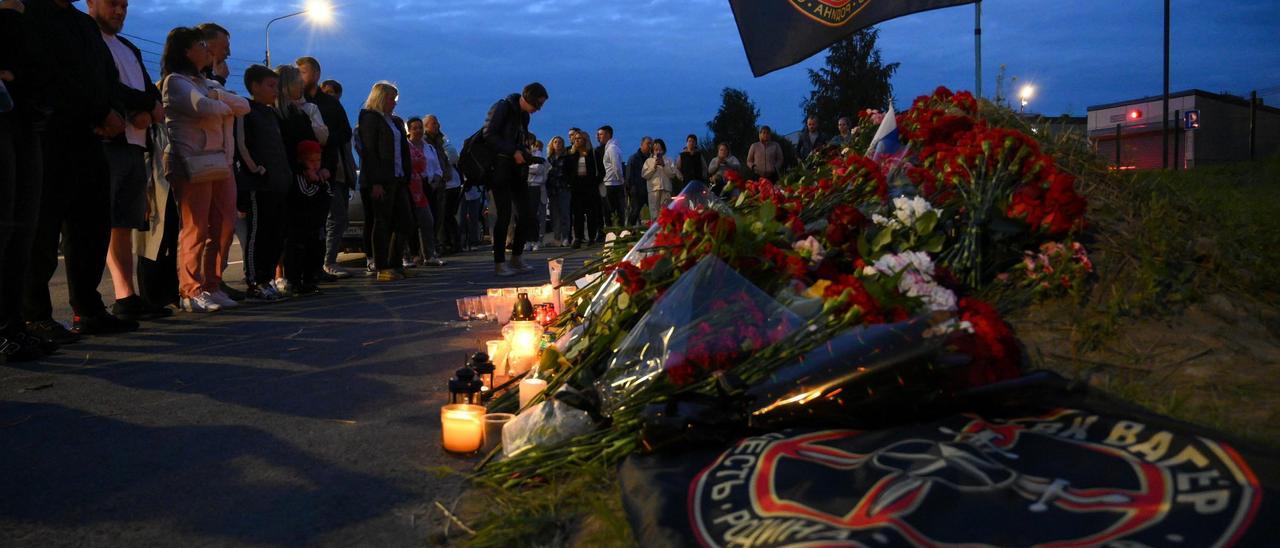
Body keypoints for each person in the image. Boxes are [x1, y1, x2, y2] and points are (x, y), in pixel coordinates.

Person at [23, 0, 134, 341]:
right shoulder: (28, 13)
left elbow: (106, 74)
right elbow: (49, 73)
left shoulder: (84, 25)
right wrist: (101, 111)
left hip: (90, 140)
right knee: (42, 230)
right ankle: (34, 316)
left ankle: (88, 309)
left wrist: (114, 111)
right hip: (48, 135)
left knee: (91, 227)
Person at [88, 0, 169, 322]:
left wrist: (148, 108)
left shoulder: (128, 47)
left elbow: (148, 89)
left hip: (136, 145)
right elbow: (105, 86)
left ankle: (127, 295)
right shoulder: (88, 40)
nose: (119, 11)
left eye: (124, 5)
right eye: (112, 4)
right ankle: (92, 302)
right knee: (100, 223)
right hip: (108, 141)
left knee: (123, 223)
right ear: (91, 3)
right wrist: (142, 108)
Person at [160, 26, 249, 312]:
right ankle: (190, 289)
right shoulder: (175, 82)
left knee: (222, 225)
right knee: (196, 226)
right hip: (191, 161)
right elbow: (204, 109)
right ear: (186, 50)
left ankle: (212, 284)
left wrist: (217, 99)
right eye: (201, 45)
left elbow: (244, 106)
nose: (208, 50)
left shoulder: (207, 83)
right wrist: (221, 102)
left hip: (219, 161)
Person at [1, 0, 57, 360]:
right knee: (3, 222)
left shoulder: (37, 13)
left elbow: (42, 62)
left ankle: (12, 325)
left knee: (22, 226)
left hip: (25, 117)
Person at [296, 57, 357, 280]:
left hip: (328, 168)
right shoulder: (296, 101)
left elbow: (345, 132)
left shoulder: (330, 104)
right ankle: (303, 269)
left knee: (333, 217)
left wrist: (326, 139)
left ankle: (327, 262)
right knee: (308, 221)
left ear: (316, 74)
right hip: (302, 169)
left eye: (303, 72)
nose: (299, 77)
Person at [233, 64, 290, 302]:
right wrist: (256, 169)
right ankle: (256, 282)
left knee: (277, 234)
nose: (275, 91)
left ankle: (268, 280)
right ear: (255, 86)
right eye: (270, 86)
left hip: (279, 183)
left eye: (276, 86)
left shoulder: (272, 114)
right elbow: (242, 144)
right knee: (260, 233)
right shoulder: (246, 111)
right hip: (259, 184)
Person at [482, 82, 547, 276]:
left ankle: (517, 257)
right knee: (503, 215)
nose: (538, 109)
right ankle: (499, 262)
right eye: (537, 104)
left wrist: (525, 153)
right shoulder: (503, 107)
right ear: (528, 98)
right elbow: (489, 135)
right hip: (500, 169)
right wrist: (513, 151)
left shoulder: (524, 116)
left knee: (527, 214)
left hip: (517, 169)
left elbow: (518, 140)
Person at [356, 81, 415, 282]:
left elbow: (403, 149)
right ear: (381, 98)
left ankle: (396, 262)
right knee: (382, 222)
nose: (394, 103)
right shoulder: (370, 119)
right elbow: (369, 152)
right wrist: (376, 182)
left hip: (398, 177)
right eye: (391, 98)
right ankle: (382, 266)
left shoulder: (397, 122)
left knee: (405, 221)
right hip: (381, 178)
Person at [285, 140, 330, 295]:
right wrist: (317, 184)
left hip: (316, 223)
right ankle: (295, 282)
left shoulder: (320, 176)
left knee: (315, 251)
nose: (315, 164)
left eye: (318, 160)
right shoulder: (299, 176)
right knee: (298, 253)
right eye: (311, 161)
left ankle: (310, 280)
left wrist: (321, 183)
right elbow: (305, 194)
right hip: (300, 224)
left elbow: (328, 195)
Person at [404, 116, 444, 267]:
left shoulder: (429, 147)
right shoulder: (406, 147)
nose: (418, 131)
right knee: (411, 222)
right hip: (412, 186)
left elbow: (437, 167)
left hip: (428, 185)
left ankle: (429, 254)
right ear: (409, 130)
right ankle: (412, 254)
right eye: (415, 128)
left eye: (420, 127)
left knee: (429, 220)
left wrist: (436, 180)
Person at [423, 115, 458, 254]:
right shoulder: (426, 142)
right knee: (434, 215)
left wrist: (446, 171)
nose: (437, 126)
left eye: (437, 123)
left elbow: (446, 158)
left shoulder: (439, 140)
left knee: (441, 215)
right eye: (433, 123)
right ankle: (434, 246)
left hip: (442, 182)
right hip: (432, 183)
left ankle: (439, 245)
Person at [565, 130, 600, 249]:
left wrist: (595, 182)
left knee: (591, 214)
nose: (577, 140)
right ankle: (578, 238)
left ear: (585, 140)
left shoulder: (593, 153)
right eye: (575, 139)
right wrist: (569, 182)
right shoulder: (570, 154)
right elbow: (567, 170)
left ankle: (591, 237)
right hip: (576, 187)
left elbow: (601, 170)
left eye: (579, 138)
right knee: (578, 214)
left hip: (590, 187)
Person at [595, 125, 625, 228]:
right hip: (611, 183)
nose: (598, 137)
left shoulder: (612, 149)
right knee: (610, 212)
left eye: (601, 134)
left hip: (613, 184)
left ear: (608, 135)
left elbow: (616, 166)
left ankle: (615, 233)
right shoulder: (610, 148)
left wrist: (621, 180)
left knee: (612, 212)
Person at [642, 139, 679, 218]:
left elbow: (672, 174)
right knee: (654, 212)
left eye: (660, 149)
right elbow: (644, 175)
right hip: (653, 190)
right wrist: (653, 167)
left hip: (666, 190)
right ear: (652, 151)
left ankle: (665, 229)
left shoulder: (668, 161)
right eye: (656, 150)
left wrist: (664, 165)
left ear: (664, 150)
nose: (658, 152)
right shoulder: (648, 161)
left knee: (665, 212)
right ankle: (655, 229)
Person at [545, 135, 571, 246]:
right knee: (554, 215)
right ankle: (557, 238)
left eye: (560, 142)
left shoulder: (567, 158)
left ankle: (566, 237)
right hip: (552, 190)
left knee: (565, 214)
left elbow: (570, 172)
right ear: (552, 144)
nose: (557, 144)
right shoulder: (549, 159)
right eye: (555, 142)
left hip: (564, 188)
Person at [525, 138, 548, 250]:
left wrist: (524, 167)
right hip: (525, 187)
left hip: (535, 187)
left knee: (534, 214)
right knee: (526, 215)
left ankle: (535, 240)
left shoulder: (538, 154)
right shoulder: (524, 154)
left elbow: (538, 169)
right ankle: (528, 240)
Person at [625, 136, 651, 225]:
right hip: (637, 191)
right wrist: (631, 189)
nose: (650, 146)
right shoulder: (634, 158)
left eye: (651, 143)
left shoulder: (651, 159)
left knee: (654, 211)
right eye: (648, 143)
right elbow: (628, 175)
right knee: (635, 212)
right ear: (641, 145)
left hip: (649, 190)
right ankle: (628, 232)